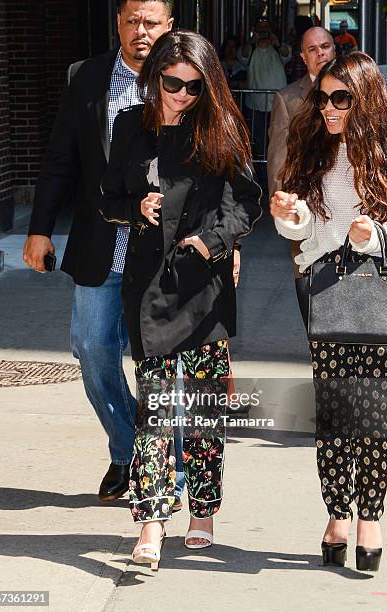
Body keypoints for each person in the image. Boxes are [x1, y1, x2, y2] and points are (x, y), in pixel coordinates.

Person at [100, 29, 262, 569]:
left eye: (195, 87)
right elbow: (108, 198)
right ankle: (151, 519)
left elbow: (245, 203)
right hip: (148, 287)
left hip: (205, 287)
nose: (183, 96)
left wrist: (212, 240)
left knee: (201, 414)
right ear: (155, 76)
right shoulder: (129, 127)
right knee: (155, 411)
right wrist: (135, 206)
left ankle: (203, 512)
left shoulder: (220, 128)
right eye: (173, 83)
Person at [22, 0, 180, 504]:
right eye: (132, 20)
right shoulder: (85, 76)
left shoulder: (184, 76)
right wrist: (39, 229)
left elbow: (216, 162)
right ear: (118, 22)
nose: (141, 31)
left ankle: (166, 469)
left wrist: (227, 242)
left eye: (151, 22)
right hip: (100, 244)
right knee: (93, 351)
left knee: (162, 363)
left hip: (161, 249)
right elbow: (60, 158)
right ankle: (128, 449)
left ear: (169, 26)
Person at [270, 52, 387, 572]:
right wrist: (291, 217)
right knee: (338, 411)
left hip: (378, 294)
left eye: (341, 98)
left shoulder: (382, 154)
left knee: (375, 416)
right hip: (328, 289)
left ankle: (371, 518)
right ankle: (338, 513)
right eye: (323, 98)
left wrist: (375, 235)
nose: (329, 109)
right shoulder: (312, 147)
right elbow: (303, 233)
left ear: (363, 100)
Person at [268, 27, 335, 275]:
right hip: (305, 208)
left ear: (335, 50)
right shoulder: (287, 99)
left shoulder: (356, 92)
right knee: (308, 290)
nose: (320, 53)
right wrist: (282, 205)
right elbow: (278, 156)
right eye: (312, 49)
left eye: (325, 46)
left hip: (346, 207)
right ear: (303, 57)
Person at [243, 17, 287, 191]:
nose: (263, 34)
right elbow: (243, 55)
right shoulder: (251, 48)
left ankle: (278, 182)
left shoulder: (277, 48)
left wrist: (276, 42)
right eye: (260, 30)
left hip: (278, 105)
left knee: (279, 143)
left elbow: (287, 54)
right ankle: (262, 182)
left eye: (266, 30)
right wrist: (252, 41)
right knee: (259, 145)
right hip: (256, 104)